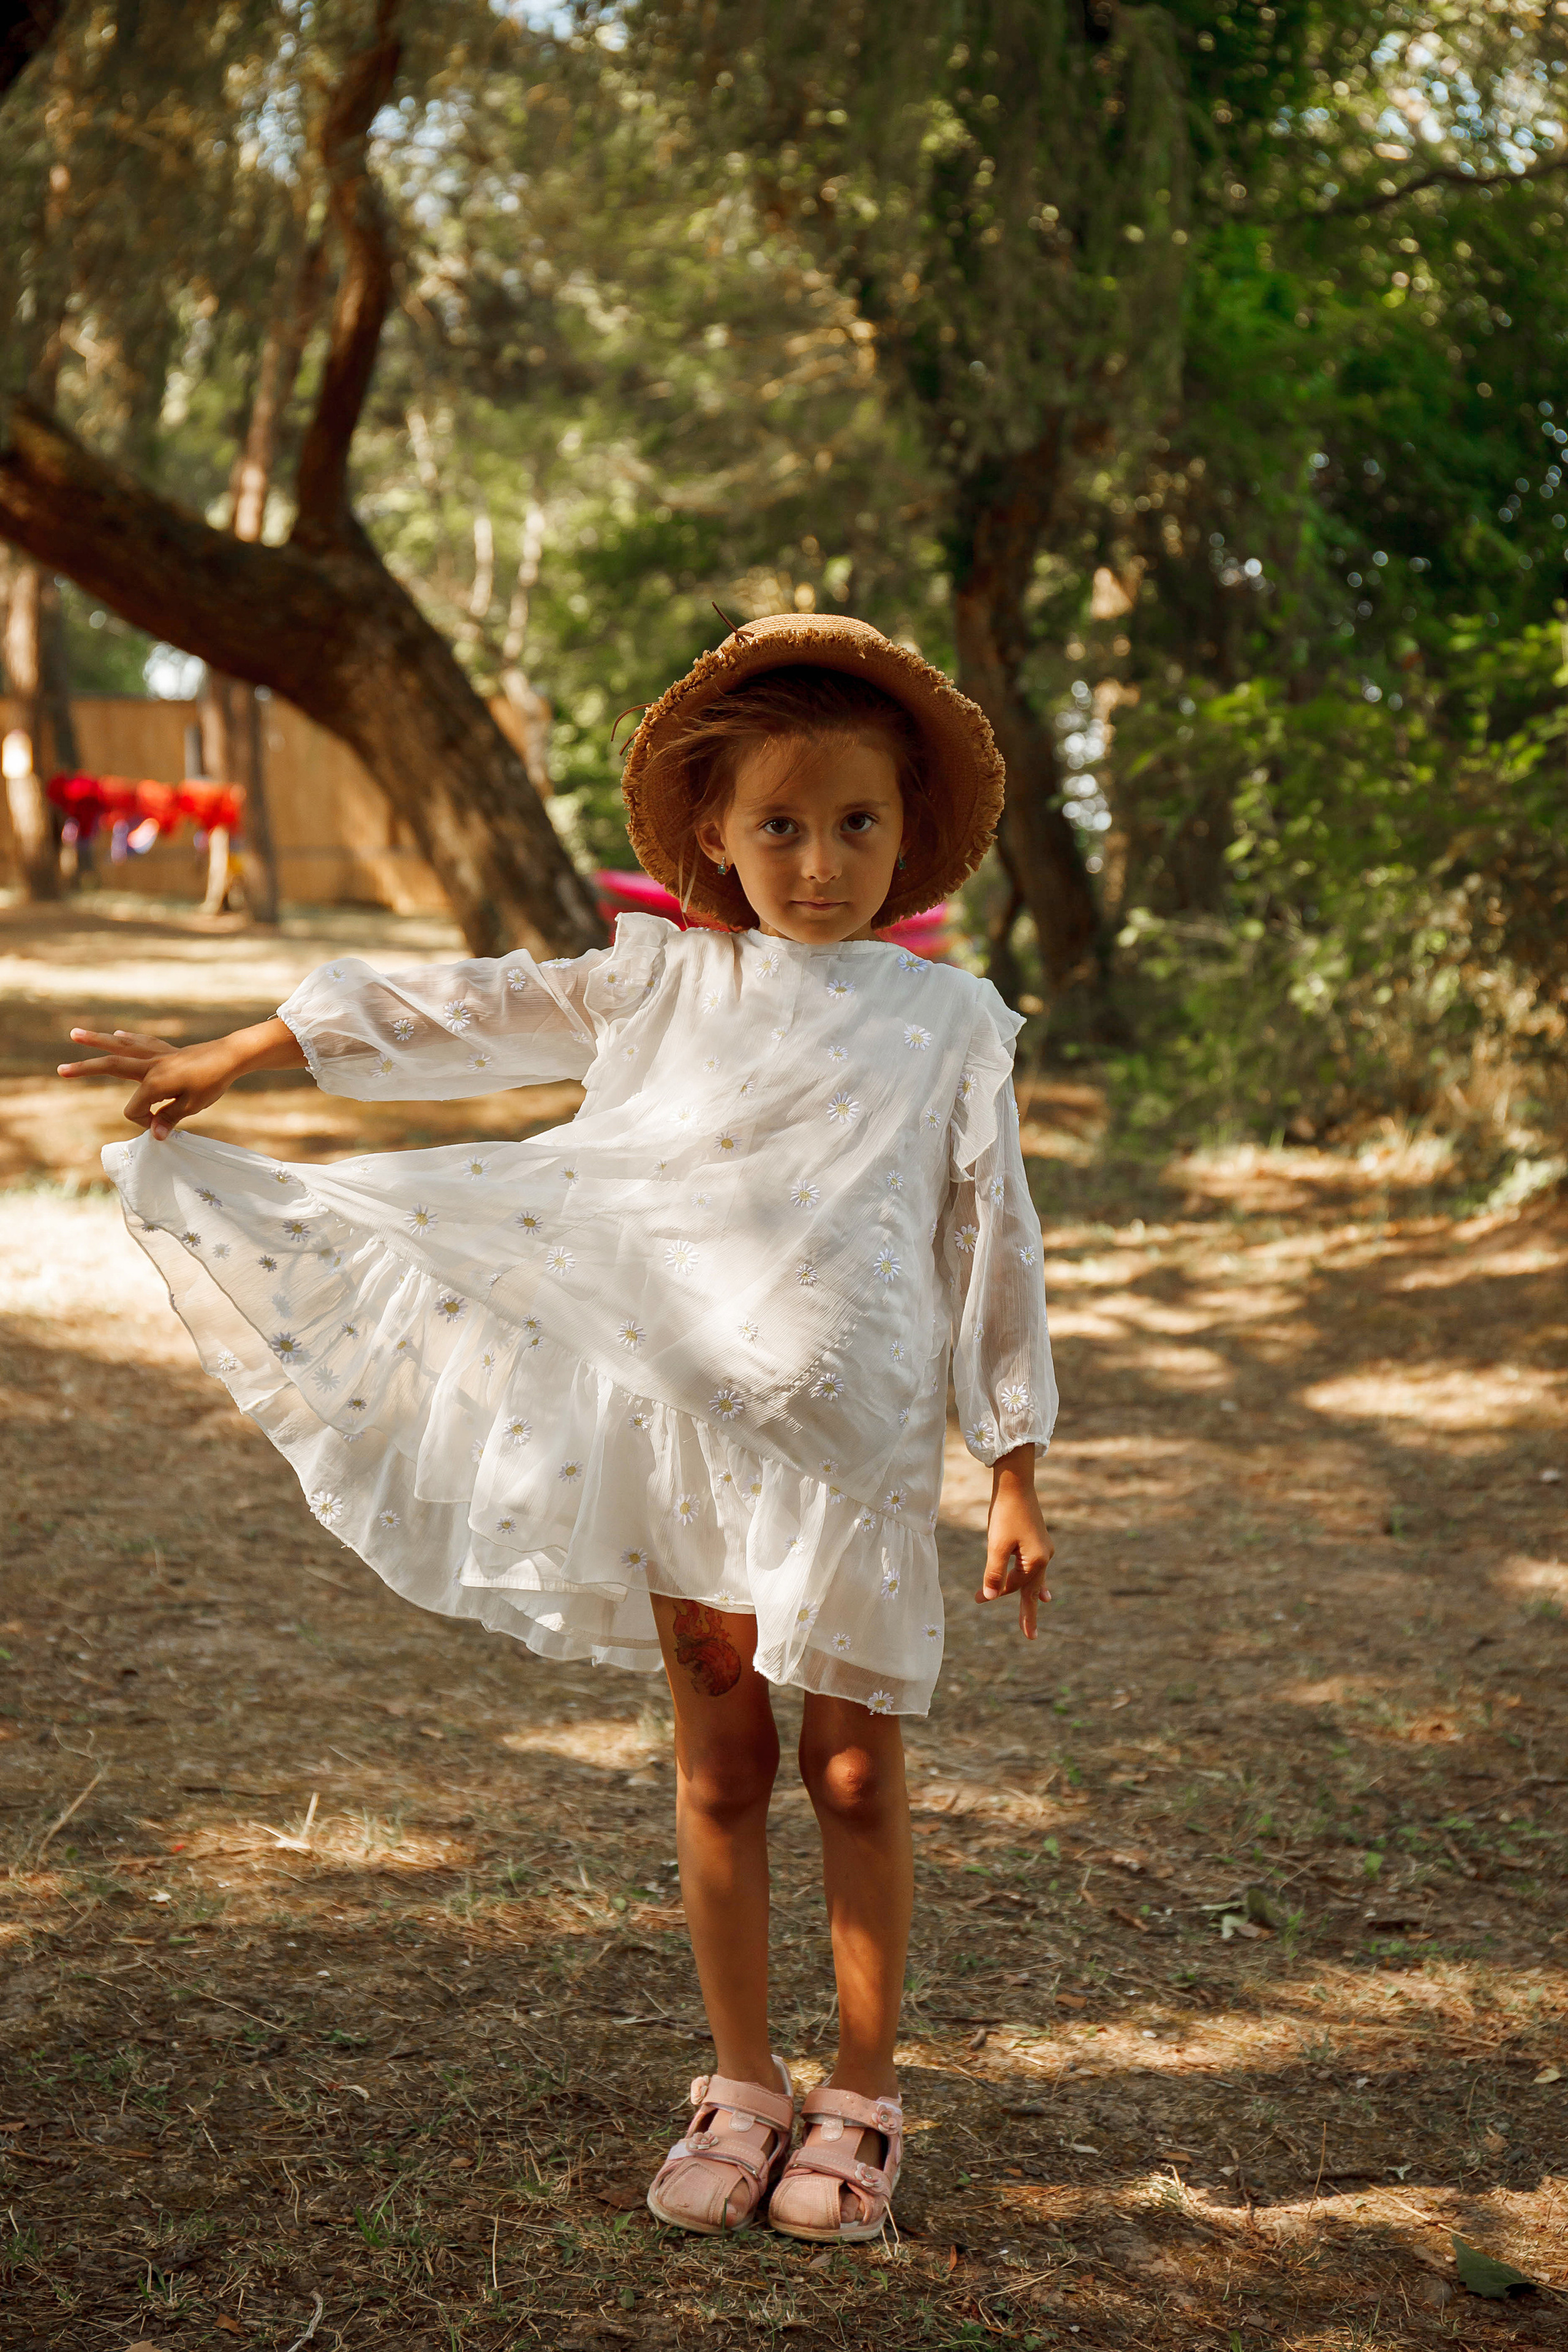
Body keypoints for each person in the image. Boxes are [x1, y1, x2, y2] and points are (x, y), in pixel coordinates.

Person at [59, 613, 1057, 2244]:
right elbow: (468, 1012)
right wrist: (249, 1049)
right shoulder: (661, 977)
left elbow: (990, 1239)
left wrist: (1013, 1463)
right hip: (679, 1442)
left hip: (853, 1460)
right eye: (780, 827)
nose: (818, 861)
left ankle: (863, 2102)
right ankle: (744, 2086)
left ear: (908, 834)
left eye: (857, 824)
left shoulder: (948, 1028)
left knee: (859, 1769)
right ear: (719, 843)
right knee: (725, 1759)